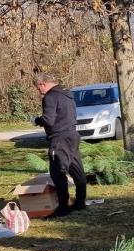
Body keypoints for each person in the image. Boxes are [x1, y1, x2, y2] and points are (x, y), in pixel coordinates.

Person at [32, 73, 87, 216]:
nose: (39, 92)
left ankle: (63, 208)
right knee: (76, 170)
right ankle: (80, 202)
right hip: (72, 135)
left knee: (57, 172)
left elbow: (48, 120)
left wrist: (37, 120)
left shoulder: (50, 97)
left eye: (38, 89)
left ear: (42, 84)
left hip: (59, 139)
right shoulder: (67, 94)